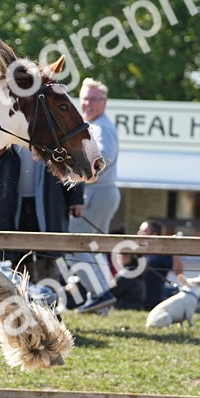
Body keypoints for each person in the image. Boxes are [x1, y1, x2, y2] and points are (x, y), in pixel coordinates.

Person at [0, 144, 84, 285]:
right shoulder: (8, 134)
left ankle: (50, 295)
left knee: (48, 252)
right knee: (14, 254)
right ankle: (18, 295)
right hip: (11, 204)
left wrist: (76, 200)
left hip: (48, 202)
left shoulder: (50, 133)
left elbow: (73, 161)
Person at [69, 78, 121, 312]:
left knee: (74, 243)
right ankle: (103, 301)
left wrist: (75, 172)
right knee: (92, 247)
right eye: (85, 98)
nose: (88, 103)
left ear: (104, 103)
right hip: (104, 193)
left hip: (96, 194)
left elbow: (104, 159)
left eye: (93, 99)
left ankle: (100, 294)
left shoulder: (101, 128)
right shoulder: (98, 125)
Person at [137, 219, 184, 310]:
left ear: (154, 234)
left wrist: (174, 249)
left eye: (143, 232)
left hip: (153, 301)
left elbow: (179, 271)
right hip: (133, 301)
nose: (138, 233)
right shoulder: (135, 249)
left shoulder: (162, 254)